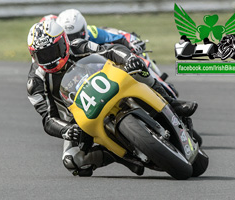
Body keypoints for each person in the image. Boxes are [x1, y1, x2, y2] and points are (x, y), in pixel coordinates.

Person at [26, 20, 197, 177]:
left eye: (53, 51)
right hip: (78, 118)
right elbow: (49, 119)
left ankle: (171, 103)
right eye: (44, 55)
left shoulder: (78, 46)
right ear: (34, 56)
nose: (51, 59)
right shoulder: (35, 82)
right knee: (72, 161)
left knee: (138, 69)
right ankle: (118, 156)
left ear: (64, 42)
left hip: (109, 83)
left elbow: (110, 49)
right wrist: (66, 130)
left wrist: (129, 58)